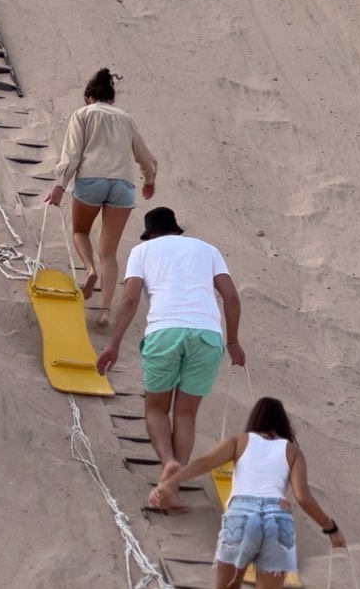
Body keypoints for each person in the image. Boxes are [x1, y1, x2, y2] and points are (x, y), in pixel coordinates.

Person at [149, 396, 347, 589]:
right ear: (284, 424)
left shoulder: (240, 442)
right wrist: (331, 528)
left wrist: (167, 483)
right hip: (278, 521)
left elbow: (203, 463)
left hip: (242, 514)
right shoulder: (292, 451)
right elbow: (302, 496)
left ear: (255, 419)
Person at [96, 206, 246, 484]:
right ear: (176, 229)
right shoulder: (208, 250)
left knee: (156, 409)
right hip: (207, 334)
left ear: (151, 234)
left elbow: (129, 300)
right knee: (186, 414)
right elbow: (232, 298)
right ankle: (174, 482)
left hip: (165, 331)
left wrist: (114, 344)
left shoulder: (141, 252)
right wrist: (233, 342)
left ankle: (168, 463)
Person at [45, 69, 157, 328]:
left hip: (91, 179)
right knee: (109, 252)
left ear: (88, 97)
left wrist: (60, 185)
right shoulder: (126, 119)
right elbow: (145, 155)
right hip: (123, 185)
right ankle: (105, 310)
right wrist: (149, 180)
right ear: (112, 100)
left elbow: (72, 154)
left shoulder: (82, 114)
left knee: (81, 232)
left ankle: (89, 270)